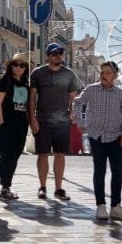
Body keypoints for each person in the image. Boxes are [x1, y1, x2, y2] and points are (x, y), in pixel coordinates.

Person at [74, 61, 122, 220]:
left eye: (108, 72)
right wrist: (80, 122)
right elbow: (77, 102)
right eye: (102, 72)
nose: (104, 75)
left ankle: (116, 206)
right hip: (96, 136)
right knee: (99, 170)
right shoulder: (91, 89)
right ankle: (100, 205)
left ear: (115, 75)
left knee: (118, 171)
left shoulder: (121, 94)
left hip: (116, 137)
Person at [29, 43, 80, 203]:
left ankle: (59, 188)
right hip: (42, 121)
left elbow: (74, 97)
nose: (58, 56)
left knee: (60, 155)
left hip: (63, 122)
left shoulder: (69, 74)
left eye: (60, 53)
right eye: (54, 53)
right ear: (47, 56)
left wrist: (72, 111)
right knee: (42, 154)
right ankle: (42, 187)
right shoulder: (38, 73)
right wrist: (32, 118)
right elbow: (32, 97)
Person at [0, 52, 32, 200]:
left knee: (15, 156)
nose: (19, 67)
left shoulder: (26, 84)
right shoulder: (5, 81)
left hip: (20, 125)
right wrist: (1, 123)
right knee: (7, 155)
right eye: (15, 64)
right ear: (11, 66)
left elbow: (27, 106)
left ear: (26, 68)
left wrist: (31, 122)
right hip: (3, 125)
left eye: (22, 65)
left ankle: (6, 187)